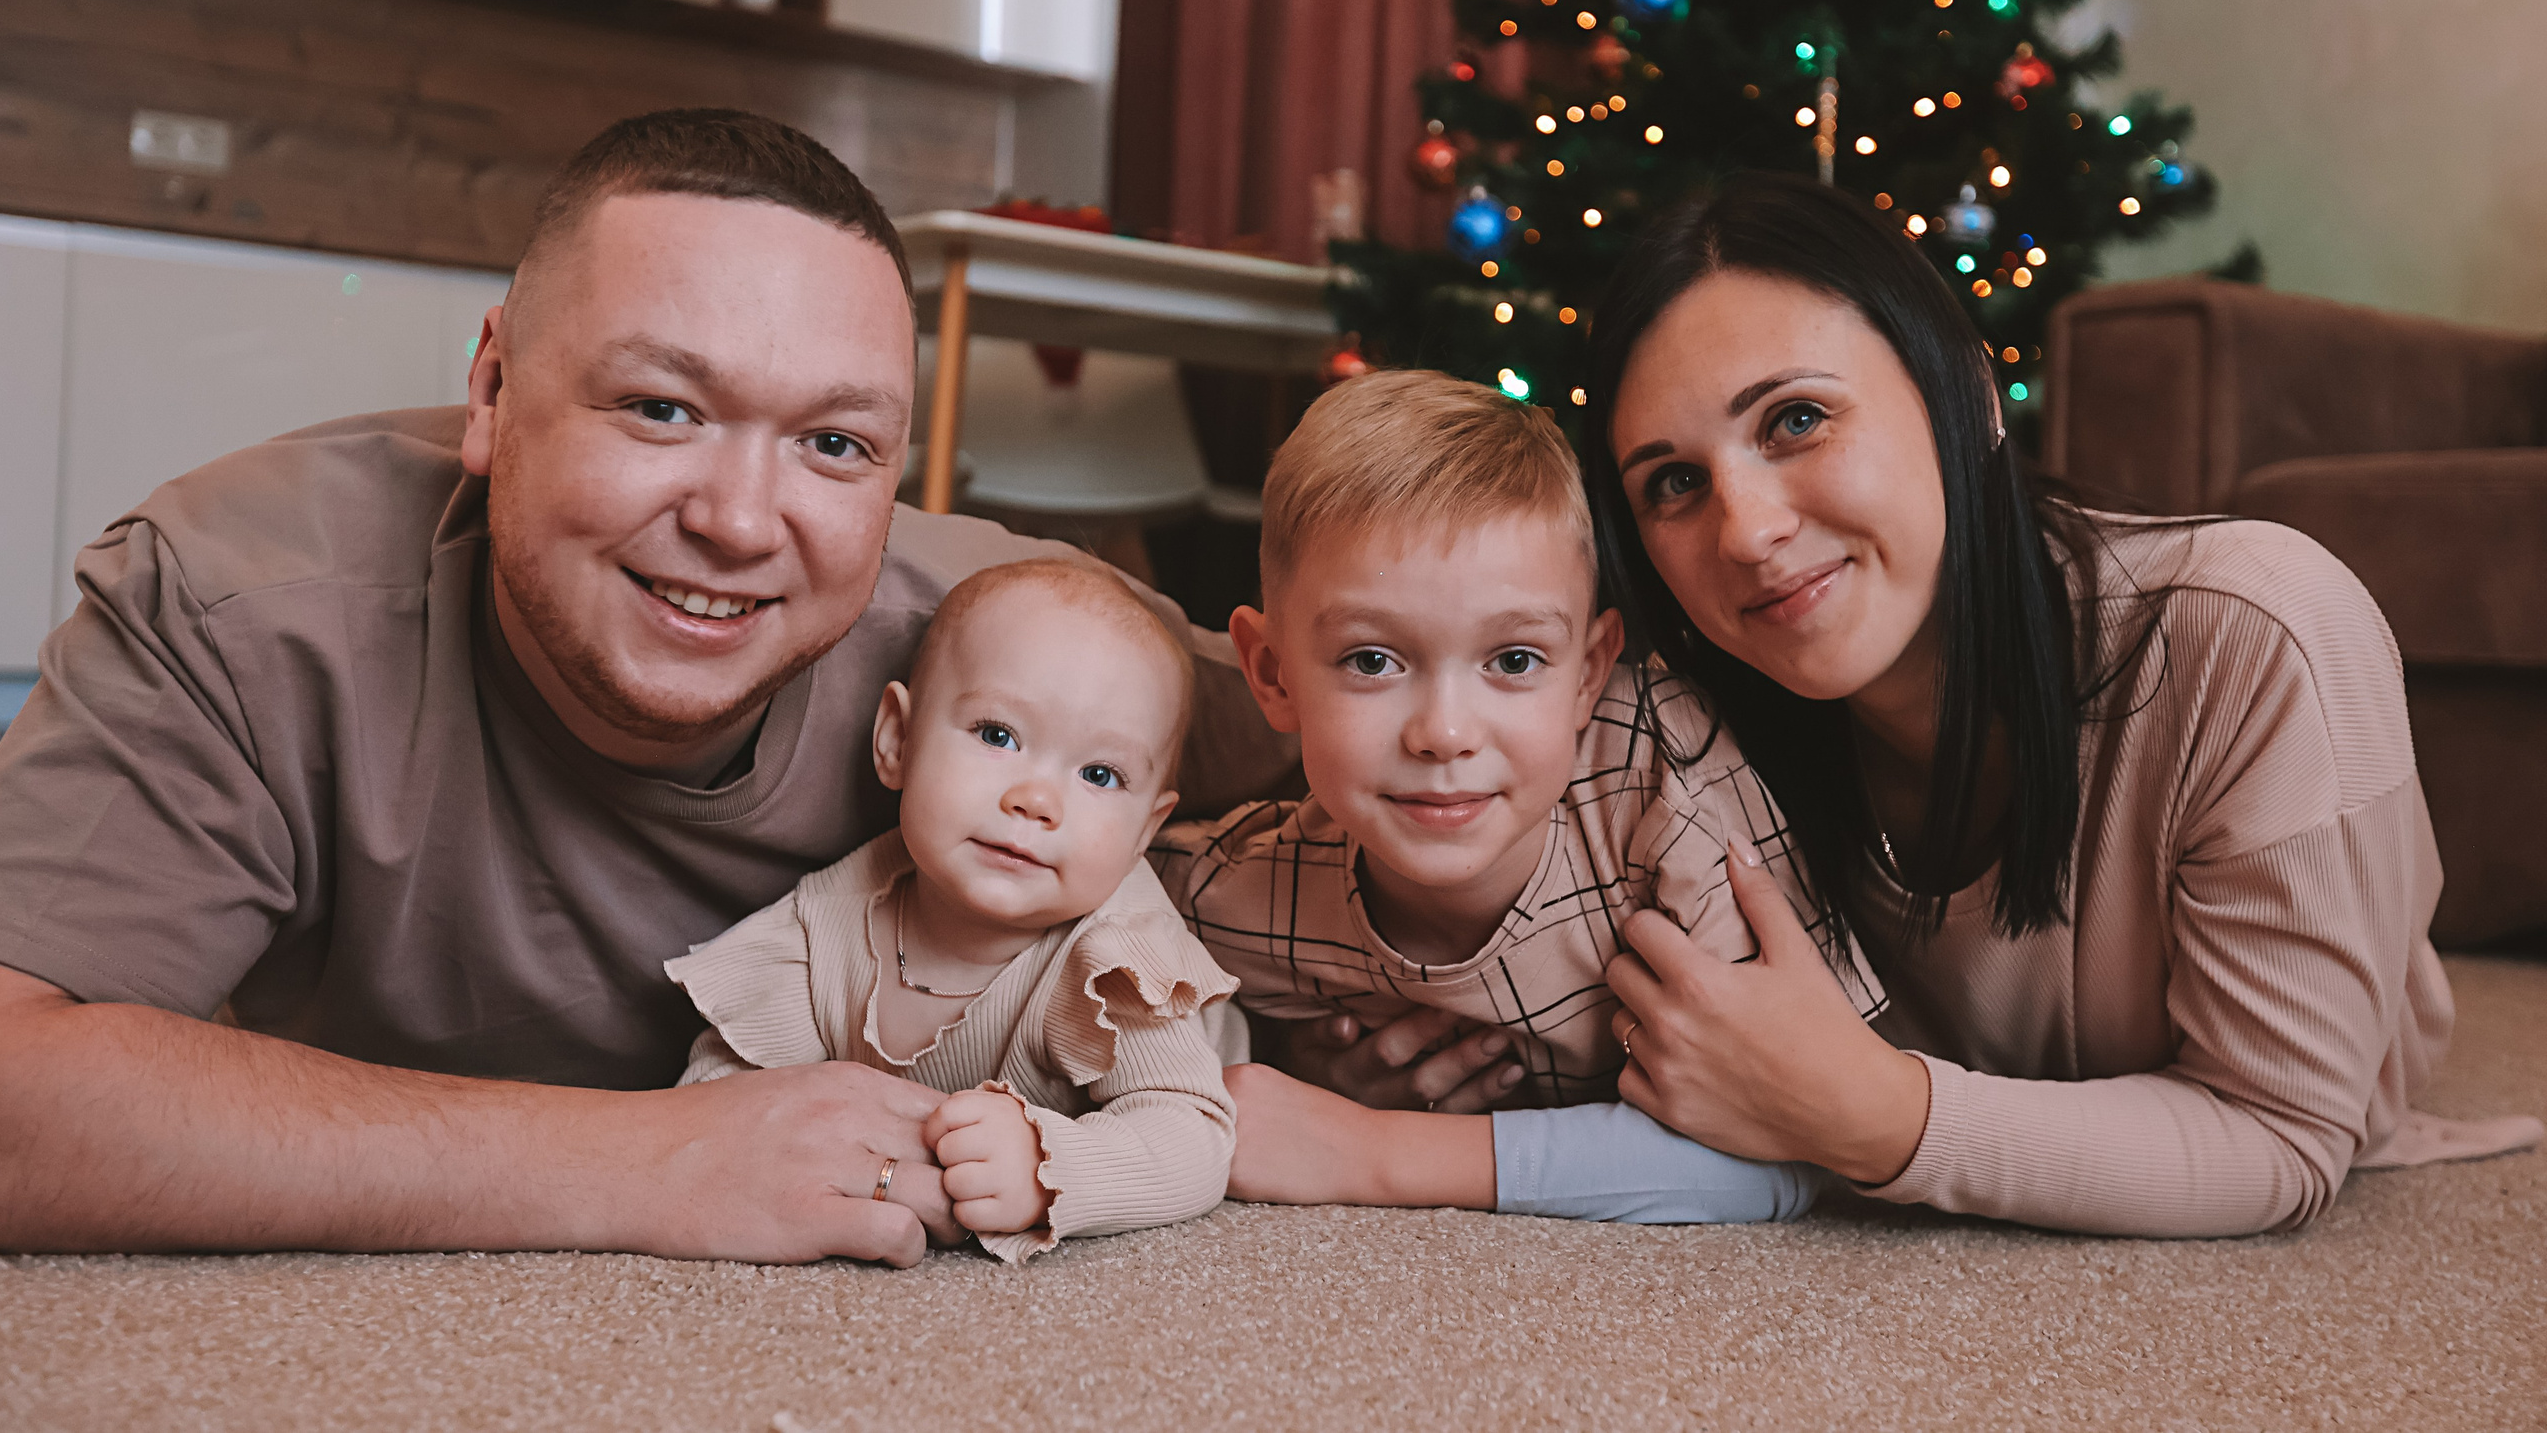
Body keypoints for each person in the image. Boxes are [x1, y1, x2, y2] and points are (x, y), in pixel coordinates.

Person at [0, 109, 1293, 1264]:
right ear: (495, 389)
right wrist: (651, 1156)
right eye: (663, 407)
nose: (739, 520)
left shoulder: (997, 635)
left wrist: (1444, 959)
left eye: (836, 443)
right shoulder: (240, 598)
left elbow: (1369, 723)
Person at [1492, 170, 2535, 1238]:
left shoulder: (2256, 630)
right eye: (1672, 483)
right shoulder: (1681, 721)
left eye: (1796, 419)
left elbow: (2277, 1136)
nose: (1743, 530)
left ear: (1970, 396)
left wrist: (1871, 1115)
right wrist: (1402, 1014)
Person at [1153, 369, 1879, 1221]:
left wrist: (1375, 1149)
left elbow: (1799, 1154)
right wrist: (1283, 1056)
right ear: (1271, 673)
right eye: (1372, 660)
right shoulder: (1232, 893)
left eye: (1515, 660)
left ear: (1588, 673)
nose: (1444, 733)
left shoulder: (1675, 807)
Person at [669, 559, 1237, 1263]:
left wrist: (1050, 1163)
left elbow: (1194, 1138)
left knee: (1267, 1126)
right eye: (998, 734)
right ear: (897, 739)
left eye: (1099, 774)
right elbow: (721, 1091)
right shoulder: (827, 923)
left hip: (1249, 1056)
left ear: (1144, 832)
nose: (1036, 799)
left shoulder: (1111, 958)